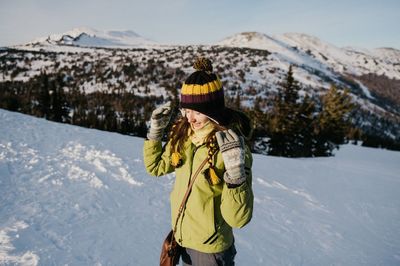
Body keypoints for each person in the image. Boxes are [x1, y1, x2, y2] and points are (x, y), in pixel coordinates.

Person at [143, 57, 254, 266]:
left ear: (213, 112)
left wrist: (236, 175)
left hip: (211, 251)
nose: (190, 118)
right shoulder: (184, 138)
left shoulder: (231, 149)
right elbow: (155, 167)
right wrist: (155, 134)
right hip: (183, 239)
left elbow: (238, 219)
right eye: (186, 110)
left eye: (198, 112)